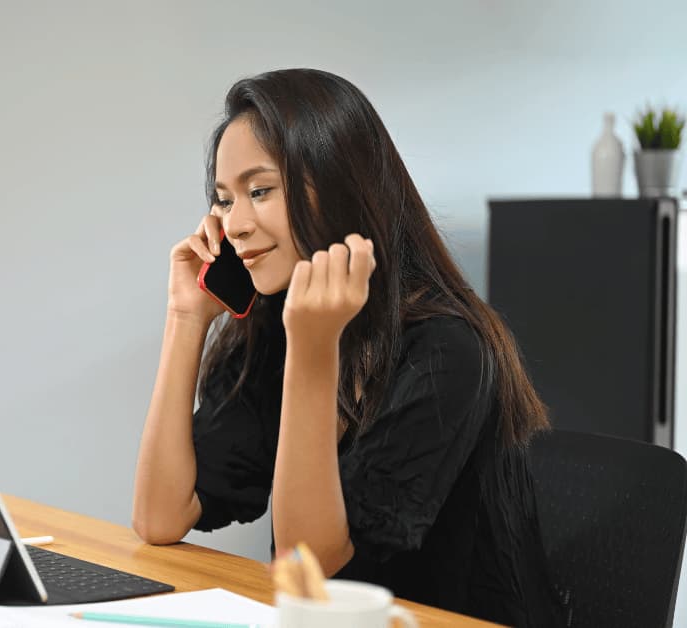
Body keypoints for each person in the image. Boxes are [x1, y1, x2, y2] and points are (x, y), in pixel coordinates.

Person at [131, 69, 565, 626]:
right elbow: (160, 516)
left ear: (337, 186)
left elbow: (308, 562)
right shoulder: (276, 327)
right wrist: (184, 318)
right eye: (223, 199)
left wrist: (313, 352)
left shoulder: (448, 349)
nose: (234, 224)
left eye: (260, 191)